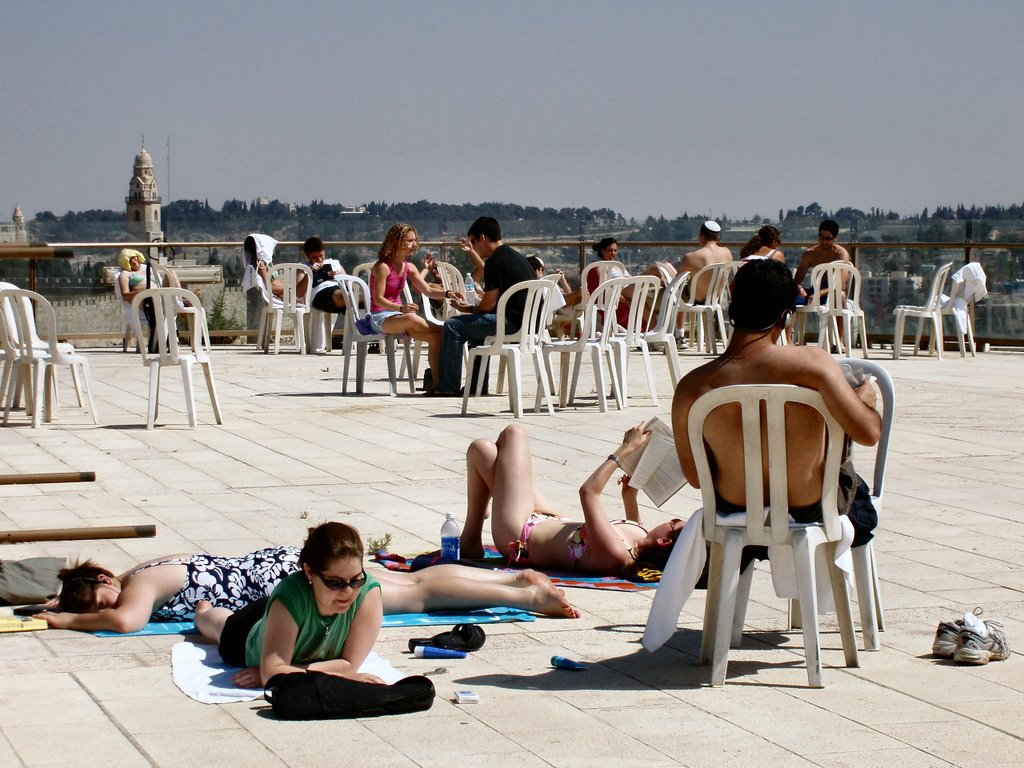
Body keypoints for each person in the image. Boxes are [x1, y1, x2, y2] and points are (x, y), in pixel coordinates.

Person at [671, 258, 881, 521]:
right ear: (786, 316)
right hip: (809, 508)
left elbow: (695, 478)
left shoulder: (691, 387)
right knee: (860, 504)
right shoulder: (812, 364)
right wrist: (865, 399)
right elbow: (869, 434)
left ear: (732, 308)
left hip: (735, 510)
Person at [38, 540, 578, 634]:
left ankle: (526, 596)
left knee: (414, 596)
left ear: (107, 580)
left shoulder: (138, 588)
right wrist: (65, 602)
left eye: (104, 598)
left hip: (287, 580)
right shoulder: (141, 569)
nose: (110, 607)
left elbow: (126, 620)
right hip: (276, 565)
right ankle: (513, 580)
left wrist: (68, 619)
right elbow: (117, 606)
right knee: (409, 584)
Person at [459, 423, 683, 577]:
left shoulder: (615, 555)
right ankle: (471, 536)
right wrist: (630, 493)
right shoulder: (641, 540)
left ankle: (474, 530)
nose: (668, 521)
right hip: (547, 518)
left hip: (520, 535)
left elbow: (588, 493)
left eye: (673, 523)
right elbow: (633, 524)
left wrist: (625, 449)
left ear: (664, 541)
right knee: (483, 450)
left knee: (514, 433)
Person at [194, 522, 383, 687]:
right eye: (335, 583)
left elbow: (350, 665)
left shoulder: (368, 593)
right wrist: (272, 672)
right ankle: (204, 611)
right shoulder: (289, 597)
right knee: (218, 624)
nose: (348, 592)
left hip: (283, 615)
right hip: (246, 634)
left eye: (356, 580)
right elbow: (273, 674)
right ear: (309, 572)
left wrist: (283, 672)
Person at [433, 217, 535, 397]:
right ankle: (476, 386)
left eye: (473, 242)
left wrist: (468, 309)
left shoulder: (495, 261)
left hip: (510, 322)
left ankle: (447, 386)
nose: (473, 248)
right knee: (477, 331)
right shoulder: (515, 256)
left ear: (482, 238)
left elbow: (488, 305)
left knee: (453, 325)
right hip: (527, 322)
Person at [369, 224, 452, 392]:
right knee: (413, 318)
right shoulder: (383, 267)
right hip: (381, 317)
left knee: (436, 339)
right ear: (396, 242)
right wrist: (400, 308)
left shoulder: (409, 267)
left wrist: (449, 294)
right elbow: (378, 299)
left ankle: (438, 385)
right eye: (409, 240)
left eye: (415, 240)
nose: (414, 244)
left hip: (400, 317)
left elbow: (428, 291)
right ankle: (448, 329)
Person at [793, 218, 850, 303]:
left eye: (828, 239)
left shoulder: (841, 255)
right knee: (790, 295)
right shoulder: (810, 254)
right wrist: (799, 288)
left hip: (832, 291)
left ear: (835, 238)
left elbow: (840, 285)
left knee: (840, 295)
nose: (824, 241)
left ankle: (839, 317)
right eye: (821, 237)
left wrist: (820, 293)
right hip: (815, 289)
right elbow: (797, 281)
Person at [675, 220, 733, 303]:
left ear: (701, 236)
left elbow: (677, 281)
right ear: (718, 237)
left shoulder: (691, 257)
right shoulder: (727, 253)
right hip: (714, 299)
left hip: (693, 299)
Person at [295, 236, 348, 314]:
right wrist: (310, 272)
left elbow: (348, 283)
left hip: (339, 289)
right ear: (308, 256)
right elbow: (299, 293)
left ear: (324, 252)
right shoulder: (303, 268)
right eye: (315, 257)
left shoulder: (334, 263)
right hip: (321, 293)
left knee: (354, 297)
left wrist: (338, 276)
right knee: (344, 297)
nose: (319, 260)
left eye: (321, 256)